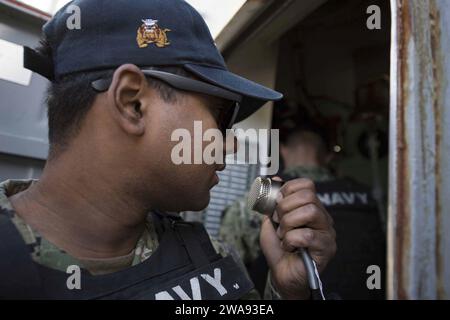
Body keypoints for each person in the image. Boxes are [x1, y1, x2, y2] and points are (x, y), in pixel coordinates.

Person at [0, 0, 335, 300]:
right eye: (221, 116)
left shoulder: (207, 256)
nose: (230, 143)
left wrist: (290, 292)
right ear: (133, 103)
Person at [220, 127, 385, 299]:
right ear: (328, 157)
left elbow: (229, 277)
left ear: (282, 150)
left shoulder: (256, 203)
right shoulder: (371, 197)